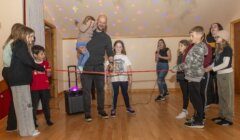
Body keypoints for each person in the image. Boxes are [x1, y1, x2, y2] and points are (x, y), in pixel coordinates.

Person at [7, 26, 45, 136]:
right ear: (25, 35)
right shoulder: (20, 44)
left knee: (23, 106)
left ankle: (25, 130)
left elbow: (26, 61)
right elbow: (28, 61)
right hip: (19, 81)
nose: (33, 39)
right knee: (26, 105)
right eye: (31, 36)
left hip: (19, 80)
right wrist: (39, 67)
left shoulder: (19, 45)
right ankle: (28, 130)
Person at [81, 15, 114, 122]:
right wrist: (80, 65)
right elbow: (79, 48)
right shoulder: (88, 33)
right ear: (97, 22)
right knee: (86, 91)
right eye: (100, 22)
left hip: (99, 67)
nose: (101, 24)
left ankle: (101, 110)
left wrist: (111, 63)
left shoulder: (107, 38)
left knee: (100, 90)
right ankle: (87, 113)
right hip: (86, 67)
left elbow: (110, 53)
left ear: (106, 24)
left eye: (104, 23)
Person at [174, 26, 208, 128]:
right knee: (194, 99)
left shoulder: (199, 47)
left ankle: (199, 121)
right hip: (191, 76)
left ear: (200, 35)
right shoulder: (196, 46)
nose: (190, 37)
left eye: (192, 35)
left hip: (195, 76)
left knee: (196, 99)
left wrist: (176, 68)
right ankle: (197, 117)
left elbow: (188, 64)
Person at [205, 30, 234, 126]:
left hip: (226, 75)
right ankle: (222, 116)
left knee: (227, 97)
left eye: (217, 37)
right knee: (221, 96)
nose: (215, 38)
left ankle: (229, 119)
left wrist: (212, 69)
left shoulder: (227, 48)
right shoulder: (218, 48)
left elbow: (225, 64)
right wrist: (209, 67)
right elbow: (216, 61)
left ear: (224, 38)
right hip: (219, 74)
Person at [2, 23, 25, 132]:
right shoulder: (13, 43)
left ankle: (13, 125)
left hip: (8, 71)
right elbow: (9, 61)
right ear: (19, 32)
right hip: (10, 71)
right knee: (15, 98)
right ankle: (11, 126)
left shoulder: (11, 43)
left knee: (15, 98)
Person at [106, 40, 135, 117]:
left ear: (122, 48)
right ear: (114, 47)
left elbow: (129, 68)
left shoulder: (125, 57)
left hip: (124, 79)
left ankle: (128, 107)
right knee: (114, 94)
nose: (118, 48)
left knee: (125, 94)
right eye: (117, 46)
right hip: (114, 80)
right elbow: (107, 70)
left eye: (120, 46)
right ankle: (113, 109)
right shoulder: (111, 57)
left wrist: (130, 78)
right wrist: (107, 78)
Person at [30, 45, 54, 128]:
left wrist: (49, 72)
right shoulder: (31, 64)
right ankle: (33, 121)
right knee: (34, 106)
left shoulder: (46, 63)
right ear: (35, 55)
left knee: (46, 105)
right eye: (41, 54)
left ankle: (48, 119)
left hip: (44, 88)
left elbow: (49, 75)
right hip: (34, 89)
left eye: (44, 53)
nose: (44, 55)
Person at [206, 23, 224, 105]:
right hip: (209, 63)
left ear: (219, 29)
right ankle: (209, 101)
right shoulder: (207, 38)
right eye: (211, 27)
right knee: (209, 83)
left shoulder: (222, 38)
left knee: (218, 83)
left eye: (215, 27)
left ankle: (219, 101)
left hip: (219, 64)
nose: (212, 28)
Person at [175, 40, 190, 119]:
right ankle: (185, 110)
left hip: (187, 77)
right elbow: (178, 66)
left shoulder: (188, 55)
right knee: (185, 94)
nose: (179, 47)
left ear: (186, 47)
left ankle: (184, 111)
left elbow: (185, 66)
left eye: (181, 46)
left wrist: (176, 68)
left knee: (188, 94)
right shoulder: (180, 55)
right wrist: (176, 69)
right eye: (179, 45)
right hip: (181, 77)